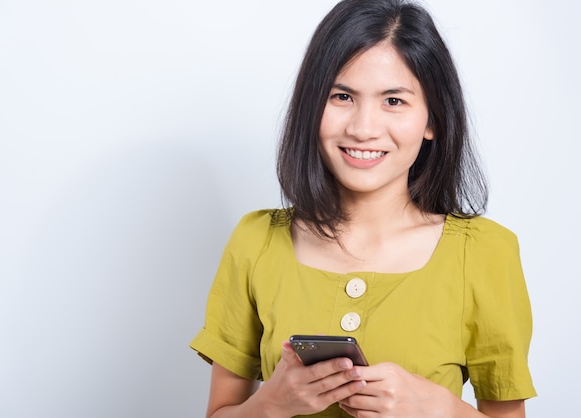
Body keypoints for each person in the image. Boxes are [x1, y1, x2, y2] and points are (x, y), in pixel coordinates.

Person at [190, 0, 537, 416]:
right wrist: (272, 403)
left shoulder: (483, 253)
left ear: (433, 120)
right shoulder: (256, 242)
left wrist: (440, 409)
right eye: (342, 96)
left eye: (394, 101)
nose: (363, 128)